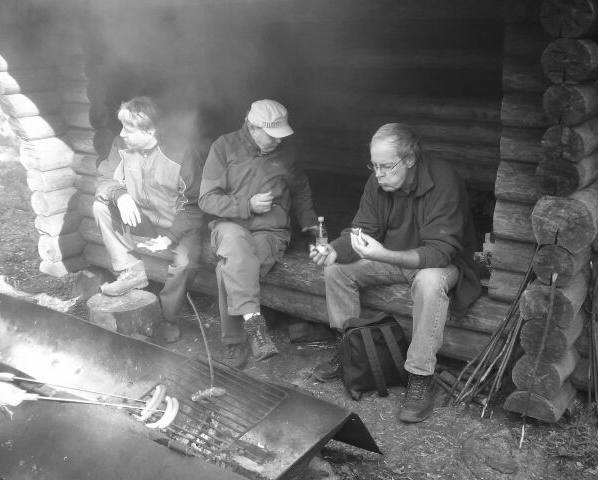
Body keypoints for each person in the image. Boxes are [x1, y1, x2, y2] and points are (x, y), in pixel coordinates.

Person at [310, 123, 481, 423]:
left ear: (410, 159)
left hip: (438, 263)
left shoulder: (443, 181)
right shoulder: (377, 182)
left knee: (429, 283)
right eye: (374, 165)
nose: (378, 174)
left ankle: (419, 377)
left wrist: (385, 254)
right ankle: (351, 353)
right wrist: (335, 249)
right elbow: (363, 229)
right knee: (336, 270)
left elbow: (441, 251)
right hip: (392, 257)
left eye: (386, 166)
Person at [199, 99, 318, 369]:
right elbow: (206, 199)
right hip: (229, 225)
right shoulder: (224, 147)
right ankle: (256, 328)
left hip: (270, 231)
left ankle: (234, 341)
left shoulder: (286, 154)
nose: (278, 141)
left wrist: (309, 221)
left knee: (228, 268)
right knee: (233, 244)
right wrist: (246, 205)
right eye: (273, 135)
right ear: (253, 127)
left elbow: (300, 190)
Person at [94, 96, 206, 343]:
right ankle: (129, 271)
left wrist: (169, 237)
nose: (122, 134)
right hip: (144, 221)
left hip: (179, 224)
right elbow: (103, 180)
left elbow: (194, 206)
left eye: (129, 129)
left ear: (151, 130)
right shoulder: (120, 147)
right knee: (101, 206)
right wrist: (120, 195)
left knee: (185, 263)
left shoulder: (181, 152)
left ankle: (168, 318)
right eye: (122, 127)